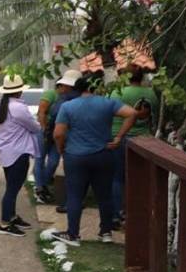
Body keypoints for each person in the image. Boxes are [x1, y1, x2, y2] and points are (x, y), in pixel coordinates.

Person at [52, 76, 137, 247]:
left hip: (75, 157)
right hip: (103, 154)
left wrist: (61, 148)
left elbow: (58, 133)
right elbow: (132, 113)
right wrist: (119, 137)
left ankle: (73, 234)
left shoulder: (67, 106)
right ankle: (106, 232)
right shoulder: (108, 103)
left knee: (75, 195)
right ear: (95, 87)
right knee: (104, 195)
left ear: (77, 89)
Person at [0, 75, 42, 237]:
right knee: (12, 189)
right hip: (18, 151)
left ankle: (12, 216)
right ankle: (5, 224)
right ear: (19, 91)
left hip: (6, 151)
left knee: (11, 186)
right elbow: (34, 127)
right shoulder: (18, 108)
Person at [109, 69, 158, 226]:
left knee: (117, 178)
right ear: (142, 77)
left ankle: (117, 214)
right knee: (140, 178)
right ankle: (137, 214)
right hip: (144, 139)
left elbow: (109, 112)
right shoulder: (151, 94)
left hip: (119, 137)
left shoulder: (117, 92)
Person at [34, 70, 81, 204]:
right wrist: (43, 129)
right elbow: (41, 112)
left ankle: (44, 184)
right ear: (60, 86)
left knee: (54, 161)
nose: (66, 89)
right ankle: (39, 187)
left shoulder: (69, 98)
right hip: (46, 131)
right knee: (39, 160)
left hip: (58, 133)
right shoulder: (51, 94)